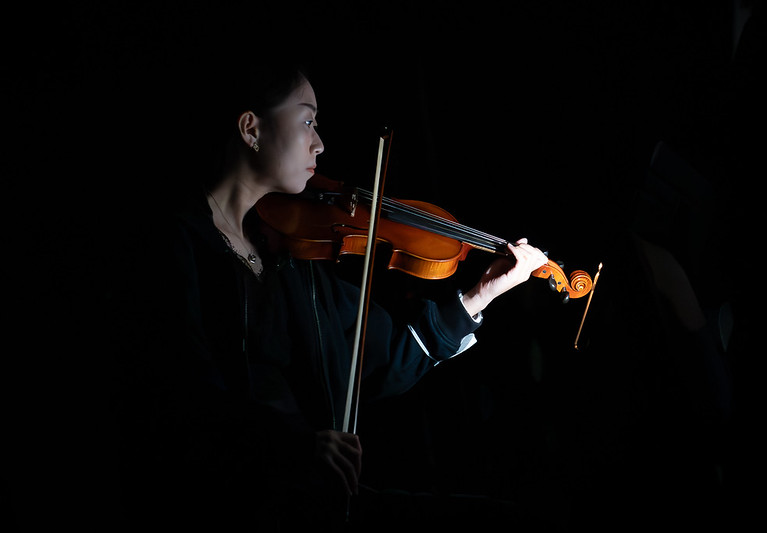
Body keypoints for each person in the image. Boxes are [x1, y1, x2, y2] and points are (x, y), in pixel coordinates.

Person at [111, 60, 549, 531]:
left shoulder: (289, 260)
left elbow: (386, 358)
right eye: (307, 121)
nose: (319, 142)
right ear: (250, 128)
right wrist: (291, 449)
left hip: (315, 503)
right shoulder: (174, 242)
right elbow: (181, 399)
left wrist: (484, 291)